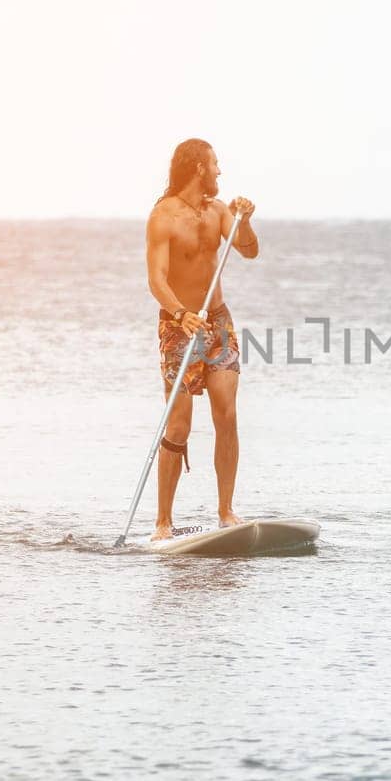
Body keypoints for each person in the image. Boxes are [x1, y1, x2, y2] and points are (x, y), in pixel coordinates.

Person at [145, 138, 258, 539]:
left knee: (226, 415)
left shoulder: (219, 212)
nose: (219, 171)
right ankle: (163, 522)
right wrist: (180, 313)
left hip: (218, 324)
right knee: (178, 426)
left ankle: (226, 511)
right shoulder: (163, 216)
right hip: (178, 325)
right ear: (197, 168)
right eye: (214, 164)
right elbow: (156, 280)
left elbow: (248, 251)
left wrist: (243, 221)